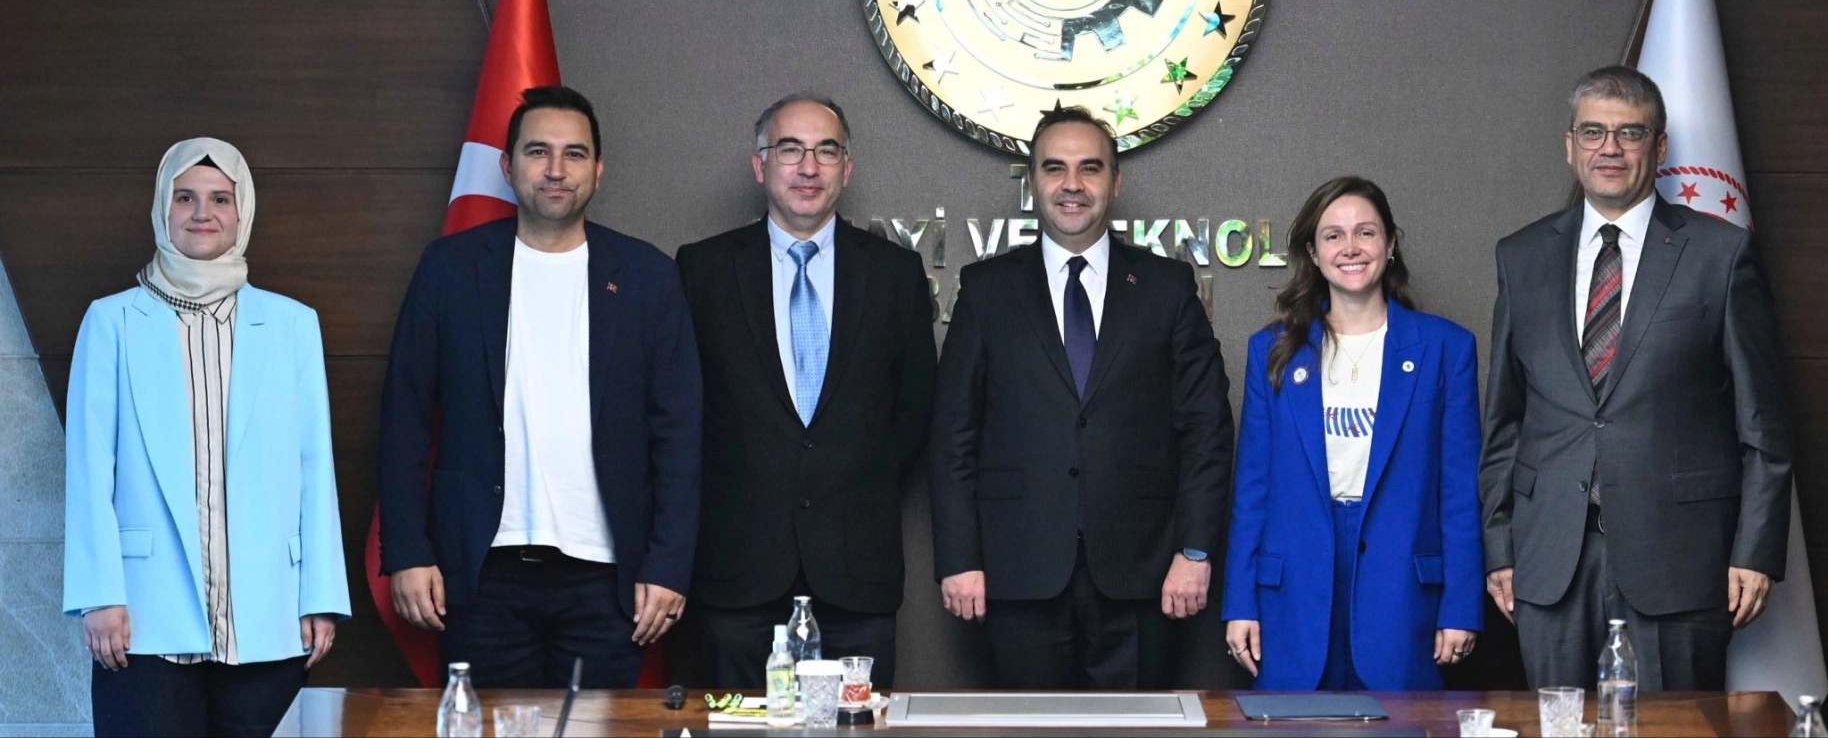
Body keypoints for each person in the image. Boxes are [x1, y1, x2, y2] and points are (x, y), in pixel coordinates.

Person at [378, 85, 702, 688]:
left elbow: (680, 435)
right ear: (507, 167)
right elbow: (405, 418)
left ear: (598, 170)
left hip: (607, 581)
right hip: (480, 574)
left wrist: (669, 565)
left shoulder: (647, 277)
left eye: (574, 154)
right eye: (537, 152)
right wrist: (407, 550)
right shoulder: (450, 268)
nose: (556, 169)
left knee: (599, 731)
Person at [1480, 65, 1790, 690]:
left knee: (1673, 730)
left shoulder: (1721, 253)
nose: (1610, 149)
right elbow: (1504, 422)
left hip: (1680, 561)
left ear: (1660, 146)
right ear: (1570, 146)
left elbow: (1762, 424)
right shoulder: (1521, 256)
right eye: (1593, 132)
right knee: (1558, 729)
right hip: (1549, 561)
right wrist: (1501, 548)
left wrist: (1755, 552)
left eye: (1630, 133)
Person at [929, 105, 1232, 689]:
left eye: (1090, 168)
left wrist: (1194, 552)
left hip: (1145, 577)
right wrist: (959, 558)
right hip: (1017, 574)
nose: (1072, 184)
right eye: (1055, 168)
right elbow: (952, 436)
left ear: (1114, 182)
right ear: (1032, 182)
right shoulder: (987, 289)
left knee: (1138, 734)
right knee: (1028, 733)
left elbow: (1207, 430)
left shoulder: (1166, 288)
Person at [63, 138, 348, 737]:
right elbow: (89, 469)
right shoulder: (111, 320)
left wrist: (320, 594)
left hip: (268, 612)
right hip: (141, 616)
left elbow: (314, 466)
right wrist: (99, 594)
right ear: (161, 210)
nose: (202, 213)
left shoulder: (293, 324)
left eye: (221, 198)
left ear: (242, 214)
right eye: (185, 197)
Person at [677, 95, 936, 687]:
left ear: (847, 168)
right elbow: (681, 413)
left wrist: (849, 480)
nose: (809, 167)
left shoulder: (894, 274)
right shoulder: (702, 271)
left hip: (856, 572)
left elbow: (914, 410)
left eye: (827, 151)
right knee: (739, 729)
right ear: (759, 165)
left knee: (856, 727)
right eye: (790, 149)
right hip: (739, 573)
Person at [1221, 177, 1482, 690]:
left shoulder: (1445, 348)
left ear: (1390, 244)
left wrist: (1461, 605)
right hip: (1293, 592)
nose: (1351, 247)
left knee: (1399, 725)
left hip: (1402, 591)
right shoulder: (1271, 351)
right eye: (1333, 235)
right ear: (1313, 253)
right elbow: (1253, 489)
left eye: (1366, 232)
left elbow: (1459, 492)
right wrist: (1240, 602)